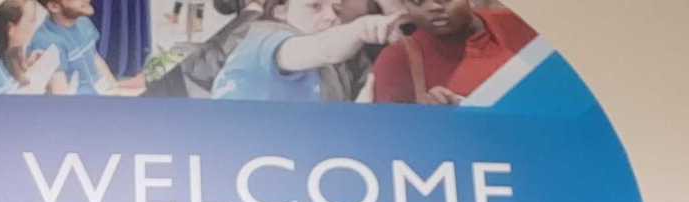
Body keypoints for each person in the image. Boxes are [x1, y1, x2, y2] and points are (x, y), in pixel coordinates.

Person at [210, 0, 406, 102]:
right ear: (280, 9)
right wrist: (361, 29)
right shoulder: (262, 38)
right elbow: (322, 49)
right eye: (315, 6)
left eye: (335, 8)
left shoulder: (344, 66)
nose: (331, 16)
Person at [370, 0, 537, 104]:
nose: (433, 7)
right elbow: (390, 138)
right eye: (418, 1)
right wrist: (430, 120)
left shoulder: (523, 28)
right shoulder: (397, 60)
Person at [33, 0, 147, 95]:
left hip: (102, 93)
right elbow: (61, 98)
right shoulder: (45, 42)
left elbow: (95, 58)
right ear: (54, 6)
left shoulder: (83, 22)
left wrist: (113, 89)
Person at [0, 0, 77, 95]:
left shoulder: (13, 56)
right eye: (31, 21)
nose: (34, 27)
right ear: (10, 29)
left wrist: (34, 71)